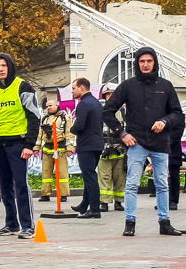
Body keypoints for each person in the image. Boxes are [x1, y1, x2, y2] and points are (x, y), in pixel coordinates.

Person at [103, 48, 183, 237]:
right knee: (132, 184)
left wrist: (164, 122)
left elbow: (178, 114)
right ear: (137, 63)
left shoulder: (166, 86)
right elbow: (107, 111)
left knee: (162, 184)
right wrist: (122, 134)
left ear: (155, 63)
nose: (145, 64)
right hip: (136, 143)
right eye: (142, 61)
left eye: (149, 61)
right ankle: (130, 222)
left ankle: (164, 222)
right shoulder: (127, 86)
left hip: (160, 142)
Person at [0, 53, 41, 239]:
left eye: (4, 65)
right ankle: (11, 224)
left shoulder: (23, 87)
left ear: (10, 66)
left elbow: (34, 117)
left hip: (18, 144)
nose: (1, 69)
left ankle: (28, 226)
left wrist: (29, 144)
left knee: (21, 185)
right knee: (5, 187)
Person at [69, 79, 103, 218]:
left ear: (82, 88)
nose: (72, 91)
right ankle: (84, 205)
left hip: (87, 145)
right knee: (90, 175)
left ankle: (94, 209)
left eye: (74, 88)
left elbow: (79, 125)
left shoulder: (83, 104)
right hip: (97, 144)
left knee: (90, 177)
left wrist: (71, 129)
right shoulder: (96, 102)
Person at [97, 83, 126, 211]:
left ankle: (118, 201)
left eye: (113, 94)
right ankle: (104, 202)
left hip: (120, 148)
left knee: (120, 177)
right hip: (104, 149)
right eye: (108, 94)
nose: (111, 96)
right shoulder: (100, 111)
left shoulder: (124, 111)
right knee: (104, 177)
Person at [37, 97, 72, 202]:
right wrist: (36, 147)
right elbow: (39, 135)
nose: (48, 108)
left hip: (60, 149)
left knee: (62, 172)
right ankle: (45, 194)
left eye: (50, 106)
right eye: (47, 106)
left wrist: (70, 148)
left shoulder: (64, 119)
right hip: (47, 148)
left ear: (57, 105)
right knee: (46, 173)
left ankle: (63, 194)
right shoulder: (44, 119)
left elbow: (69, 134)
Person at [166, 116, 185, 211]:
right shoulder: (160, 113)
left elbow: (178, 132)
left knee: (174, 176)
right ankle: (163, 201)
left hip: (174, 150)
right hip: (160, 149)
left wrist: (166, 141)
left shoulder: (179, 116)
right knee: (160, 177)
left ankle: (173, 201)